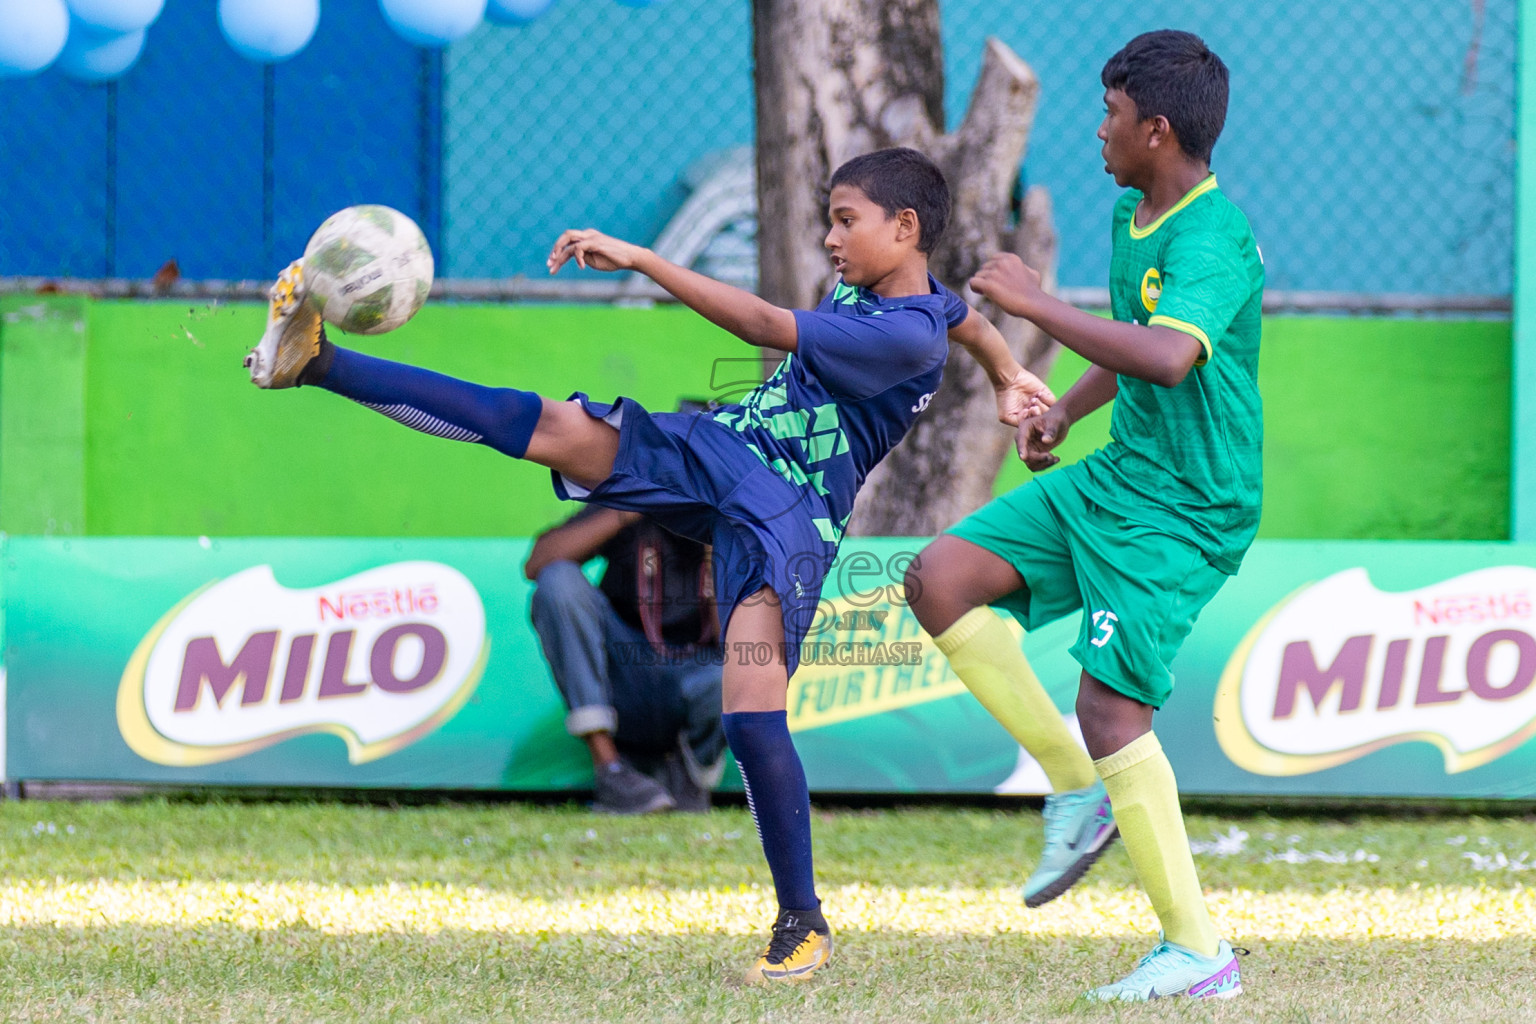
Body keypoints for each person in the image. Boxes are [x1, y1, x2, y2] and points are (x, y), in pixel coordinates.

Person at [242, 146, 1055, 984]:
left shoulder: (899, 335)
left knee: (750, 714)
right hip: (731, 449)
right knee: (545, 427)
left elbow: (765, 326)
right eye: (830, 218)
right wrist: (1005, 373)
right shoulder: (917, 296)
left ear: (906, 226)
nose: (830, 237)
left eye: (845, 220)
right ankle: (320, 363)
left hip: (790, 516)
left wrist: (642, 257)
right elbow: (967, 316)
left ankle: (802, 921)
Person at [905, 30, 1261, 1002]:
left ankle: (1199, 954)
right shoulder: (1131, 211)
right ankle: (1072, 783)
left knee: (1113, 706)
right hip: (1120, 475)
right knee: (938, 577)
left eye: (1109, 112)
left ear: (1156, 127)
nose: (1096, 128)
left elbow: (1172, 355)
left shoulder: (1213, 234)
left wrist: (1035, 303)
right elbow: (1134, 339)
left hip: (1188, 507)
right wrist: (1062, 405)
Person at [524, 501, 726, 815]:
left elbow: (731, 642)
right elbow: (536, 564)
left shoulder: (730, 513)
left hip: (695, 680)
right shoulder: (633, 494)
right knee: (558, 582)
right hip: (625, 676)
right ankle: (610, 770)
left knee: (747, 658)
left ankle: (693, 776)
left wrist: (719, 550)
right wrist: (627, 509)